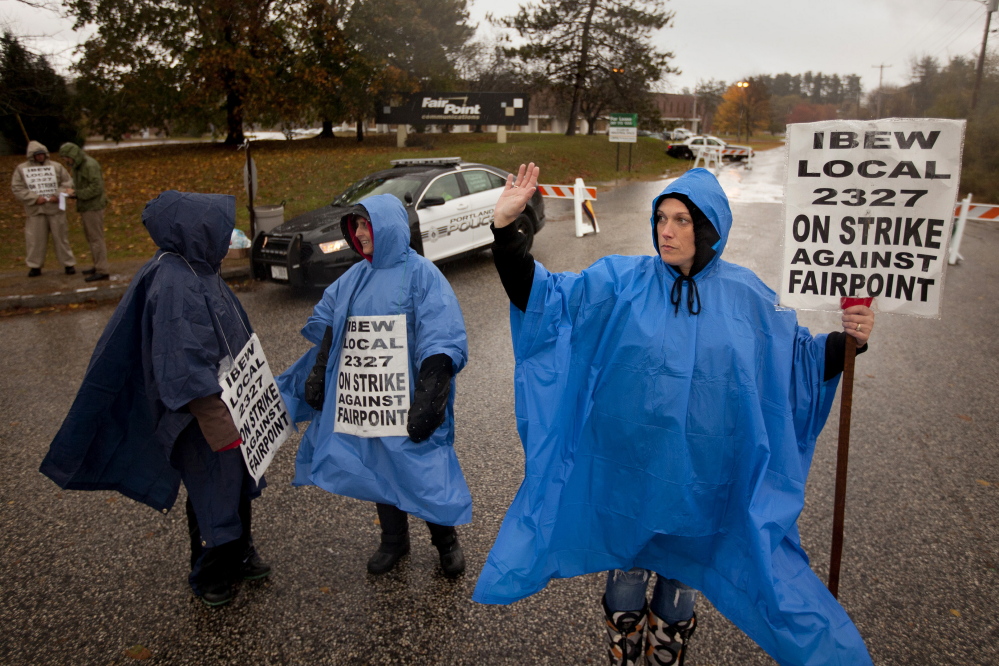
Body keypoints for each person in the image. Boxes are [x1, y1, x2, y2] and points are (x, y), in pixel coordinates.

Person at [473, 164, 876, 666]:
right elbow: (545, 301)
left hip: (699, 482)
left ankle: (667, 651)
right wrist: (507, 234)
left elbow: (795, 364)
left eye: (682, 220)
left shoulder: (748, 297)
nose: (667, 230)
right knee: (626, 580)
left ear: (708, 227)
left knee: (680, 580)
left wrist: (850, 342)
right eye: (661, 217)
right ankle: (625, 649)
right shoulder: (620, 283)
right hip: (630, 474)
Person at [40, 191, 270, 607]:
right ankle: (211, 572)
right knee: (212, 491)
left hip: (232, 406)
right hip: (205, 417)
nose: (226, 235)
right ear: (198, 229)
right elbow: (182, 363)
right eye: (220, 226)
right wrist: (220, 423)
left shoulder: (199, 268)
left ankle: (239, 552)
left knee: (236, 485)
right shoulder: (175, 282)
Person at [277, 194, 470, 578]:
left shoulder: (422, 274)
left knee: (423, 469)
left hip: (412, 397)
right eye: (357, 226)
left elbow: (441, 334)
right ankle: (394, 542)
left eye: (367, 225)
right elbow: (334, 326)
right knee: (381, 468)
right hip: (371, 403)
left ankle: (446, 542)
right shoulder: (354, 277)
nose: (361, 233)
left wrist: (431, 393)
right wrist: (319, 371)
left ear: (387, 227)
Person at [10, 140, 76, 277]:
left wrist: (57, 195)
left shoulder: (56, 167)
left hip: (55, 209)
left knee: (61, 238)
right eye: (37, 155)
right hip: (36, 211)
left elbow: (68, 182)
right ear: (31, 156)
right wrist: (34, 198)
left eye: (41, 154)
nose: (40, 157)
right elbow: (17, 188)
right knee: (35, 240)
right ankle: (35, 266)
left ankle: (68, 264)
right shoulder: (21, 169)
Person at [59, 142, 111, 282]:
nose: (66, 161)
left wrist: (77, 193)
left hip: (93, 206)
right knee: (91, 238)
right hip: (86, 205)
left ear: (72, 155)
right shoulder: (78, 166)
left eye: (67, 158)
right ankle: (97, 265)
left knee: (96, 238)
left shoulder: (89, 165)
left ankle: (102, 269)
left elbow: (96, 187)